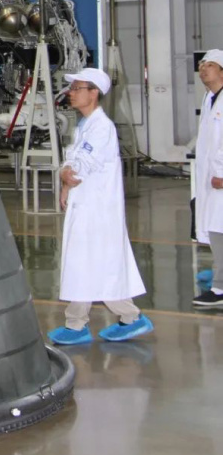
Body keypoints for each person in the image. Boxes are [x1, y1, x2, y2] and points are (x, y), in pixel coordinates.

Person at [48, 67, 153, 346]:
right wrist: (65, 180)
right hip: (87, 207)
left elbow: (80, 166)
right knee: (87, 265)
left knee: (97, 265)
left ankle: (122, 318)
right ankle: (81, 323)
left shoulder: (101, 127)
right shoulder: (84, 125)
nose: (71, 93)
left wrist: (66, 176)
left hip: (97, 211)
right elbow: (72, 161)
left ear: (94, 93)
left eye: (77, 88)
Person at [192, 49, 223, 310]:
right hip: (211, 177)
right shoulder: (210, 98)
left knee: (219, 229)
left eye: (210, 65)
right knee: (215, 228)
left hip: (220, 178)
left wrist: (222, 172)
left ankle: (220, 287)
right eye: (202, 65)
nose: (203, 69)